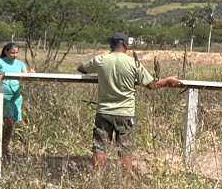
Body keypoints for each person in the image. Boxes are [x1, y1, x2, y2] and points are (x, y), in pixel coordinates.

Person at [77, 33, 180, 174]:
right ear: (126, 46)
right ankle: (126, 182)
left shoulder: (101, 60)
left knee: (99, 147)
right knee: (125, 149)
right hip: (125, 112)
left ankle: (97, 179)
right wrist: (167, 80)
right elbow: (151, 85)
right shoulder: (133, 62)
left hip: (104, 111)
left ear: (111, 45)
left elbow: (81, 68)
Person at [0, 42, 33, 164]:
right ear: (6, 52)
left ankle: (4, 145)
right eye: (12, 53)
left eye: (17, 53)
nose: (15, 55)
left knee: (10, 123)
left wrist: (30, 73)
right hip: (1, 95)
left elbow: (25, 76)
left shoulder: (20, 63)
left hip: (15, 96)